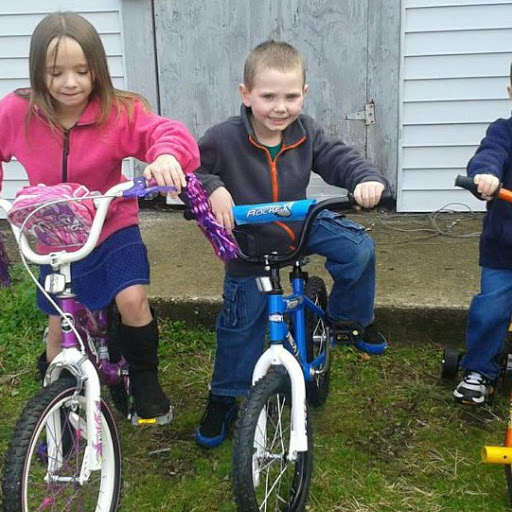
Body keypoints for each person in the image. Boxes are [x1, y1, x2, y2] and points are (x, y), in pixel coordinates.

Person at [0, 12, 200, 419]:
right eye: (55, 72)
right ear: (39, 71)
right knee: (58, 330)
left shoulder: (119, 111)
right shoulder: (17, 112)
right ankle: (58, 403)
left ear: (97, 70)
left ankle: (144, 376)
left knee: (132, 298)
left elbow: (168, 133)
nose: (69, 83)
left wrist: (164, 156)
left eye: (81, 71)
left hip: (110, 225)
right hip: (53, 236)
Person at [193, 40, 389, 448]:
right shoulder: (223, 137)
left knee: (357, 249)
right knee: (240, 324)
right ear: (245, 95)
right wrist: (213, 188)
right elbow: (193, 170)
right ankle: (226, 395)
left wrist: (365, 178)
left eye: (291, 96)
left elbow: (340, 158)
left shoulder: (306, 132)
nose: (280, 107)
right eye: (268, 96)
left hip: (299, 224)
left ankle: (347, 320)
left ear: (305, 94)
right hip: (248, 239)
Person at [453, 68, 512, 405]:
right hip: (504, 250)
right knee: (491, 309)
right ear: (510, 92)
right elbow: (491, 153)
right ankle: (479, 371)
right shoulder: (503, 132)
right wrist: (486, 175)